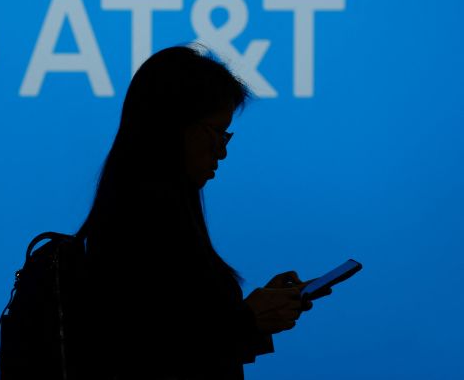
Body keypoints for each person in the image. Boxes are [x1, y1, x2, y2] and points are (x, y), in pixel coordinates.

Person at [73, 45, 331, 379]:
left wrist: (250, 316)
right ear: (173, 128)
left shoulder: (142, 208)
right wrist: (246, 319)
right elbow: (147, 351)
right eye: (215, 133)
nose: (222, 152)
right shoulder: (142, 222)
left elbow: (180, 331)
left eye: (227, 135)